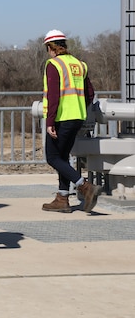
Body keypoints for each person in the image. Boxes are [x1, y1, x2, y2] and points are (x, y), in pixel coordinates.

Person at [40, 29, 102, 214]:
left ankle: (84, 186)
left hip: (61, 118)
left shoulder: (53, 64)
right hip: (77, 117)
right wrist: (78, 107)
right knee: (63, 157)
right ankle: (62, 198)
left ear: (50, 47)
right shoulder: (79, 64)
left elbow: (53, 95)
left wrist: (50, 121)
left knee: (52, 157)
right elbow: (90, 93)